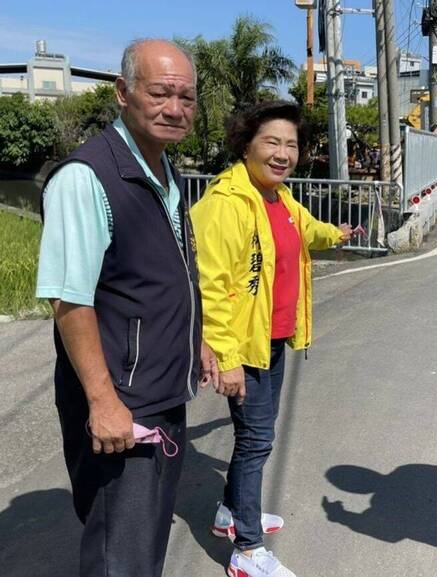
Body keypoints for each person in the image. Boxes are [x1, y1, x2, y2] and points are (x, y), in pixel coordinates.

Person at [35, 39, 218, 577]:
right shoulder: (87, 177)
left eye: (186, 97)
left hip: (163, 393)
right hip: (123, 405)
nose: (175, 108)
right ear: (123, 92)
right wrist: (103, 401)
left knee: (144, 543)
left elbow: (163, 279)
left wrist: (196, 340)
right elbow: (70, 300)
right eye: (161, 92)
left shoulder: (164, 171)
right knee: (122, 555)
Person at [191, 100, 353, 577]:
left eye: (291, 144)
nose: (283, 153)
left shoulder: (278, 198)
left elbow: (307, 229)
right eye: (272, 142)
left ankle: (230, 511)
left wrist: (336, 234)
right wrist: (226, 357)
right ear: (246, 145)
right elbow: (212, 289)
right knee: (257, 440)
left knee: (255, 436)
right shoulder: (226, 204)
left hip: (274, 338)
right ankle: (246, 549)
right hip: (245, 347)